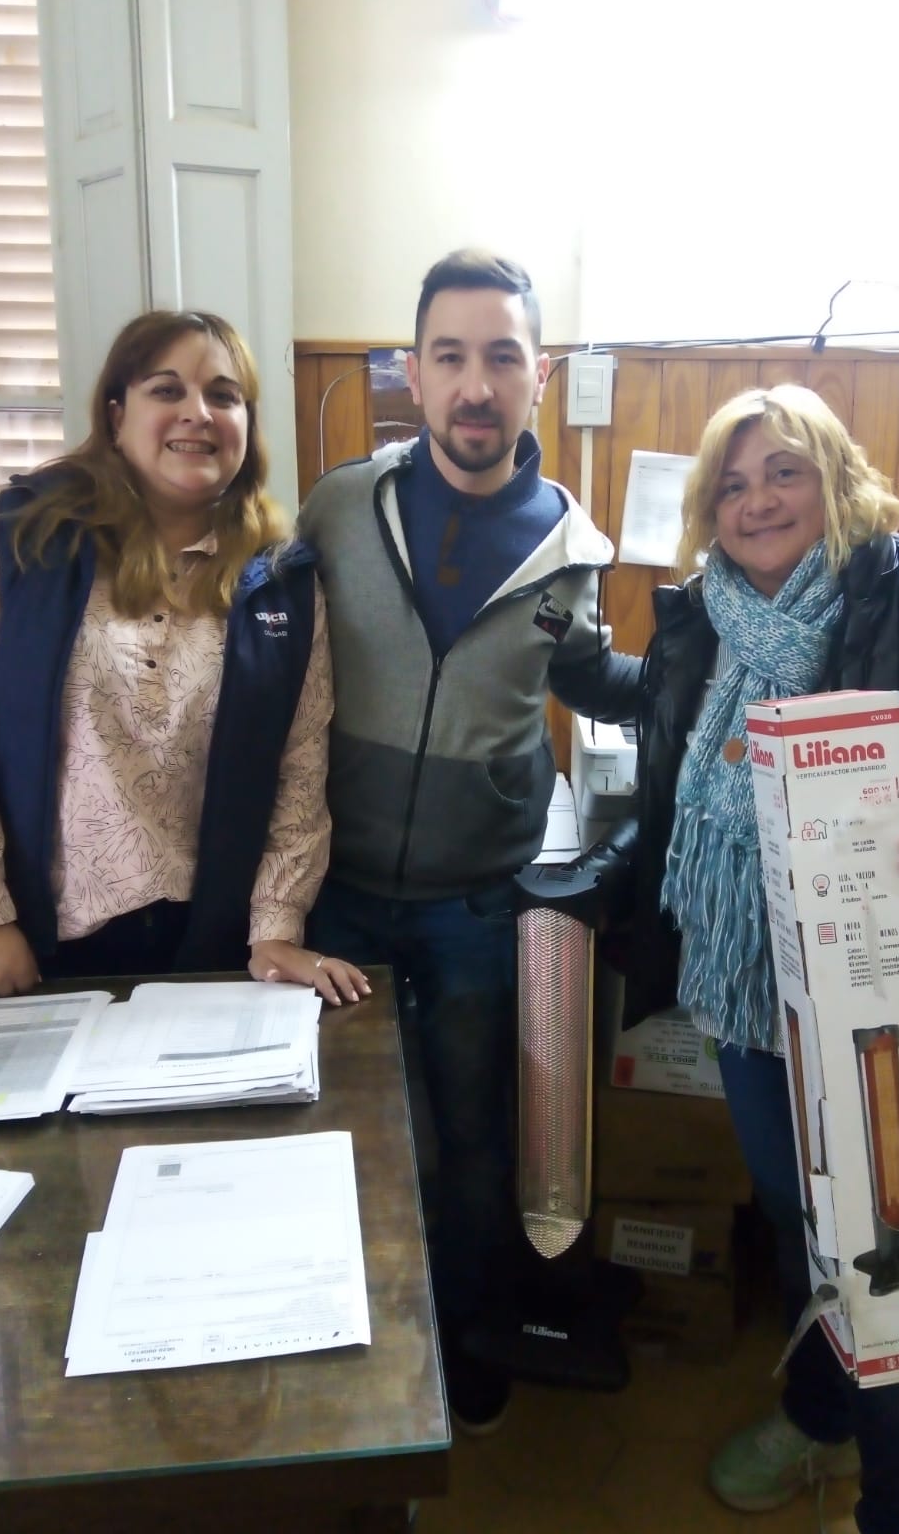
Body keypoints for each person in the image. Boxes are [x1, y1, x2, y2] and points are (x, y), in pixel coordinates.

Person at [584, 384, 899, 1534]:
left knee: (889, 1262)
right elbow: (659, 738)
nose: (757, 500)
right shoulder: (704, 624)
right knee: (800, 1217)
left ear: (839, 478)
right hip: (750, 997)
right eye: (733, 483)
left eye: (785, 471)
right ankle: (821, 1413)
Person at [297, 248, 641, 1431]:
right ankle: (341, 1340)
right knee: (337, 1129)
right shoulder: (341, 505)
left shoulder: (574, 550)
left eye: (502, 357)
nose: (475, 385)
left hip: (478, 905)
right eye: (450, 356)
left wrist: (700, 666)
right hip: (332, 898)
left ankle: (467, 1336)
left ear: (541, 375)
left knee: (476, 1141)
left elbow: (588, 675)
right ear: (414, 370)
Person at [0, 309, 367, 1006]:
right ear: (116, 416)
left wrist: (276, 926)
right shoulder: (15, 535)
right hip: (26, 948)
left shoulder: (282, 579)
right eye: (166, 390)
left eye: (224, 396)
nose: (198, 413)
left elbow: (299, 766)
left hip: (211, 951)